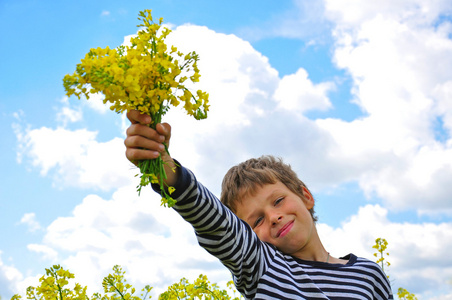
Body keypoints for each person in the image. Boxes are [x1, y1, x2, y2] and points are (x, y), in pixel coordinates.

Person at [124, 110, 394, 299]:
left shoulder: (368, 275)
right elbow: (216, 222)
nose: (274, 217)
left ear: (306, 196)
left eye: (278, 201)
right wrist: (166, 169)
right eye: (257, 221)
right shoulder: (264, 268)